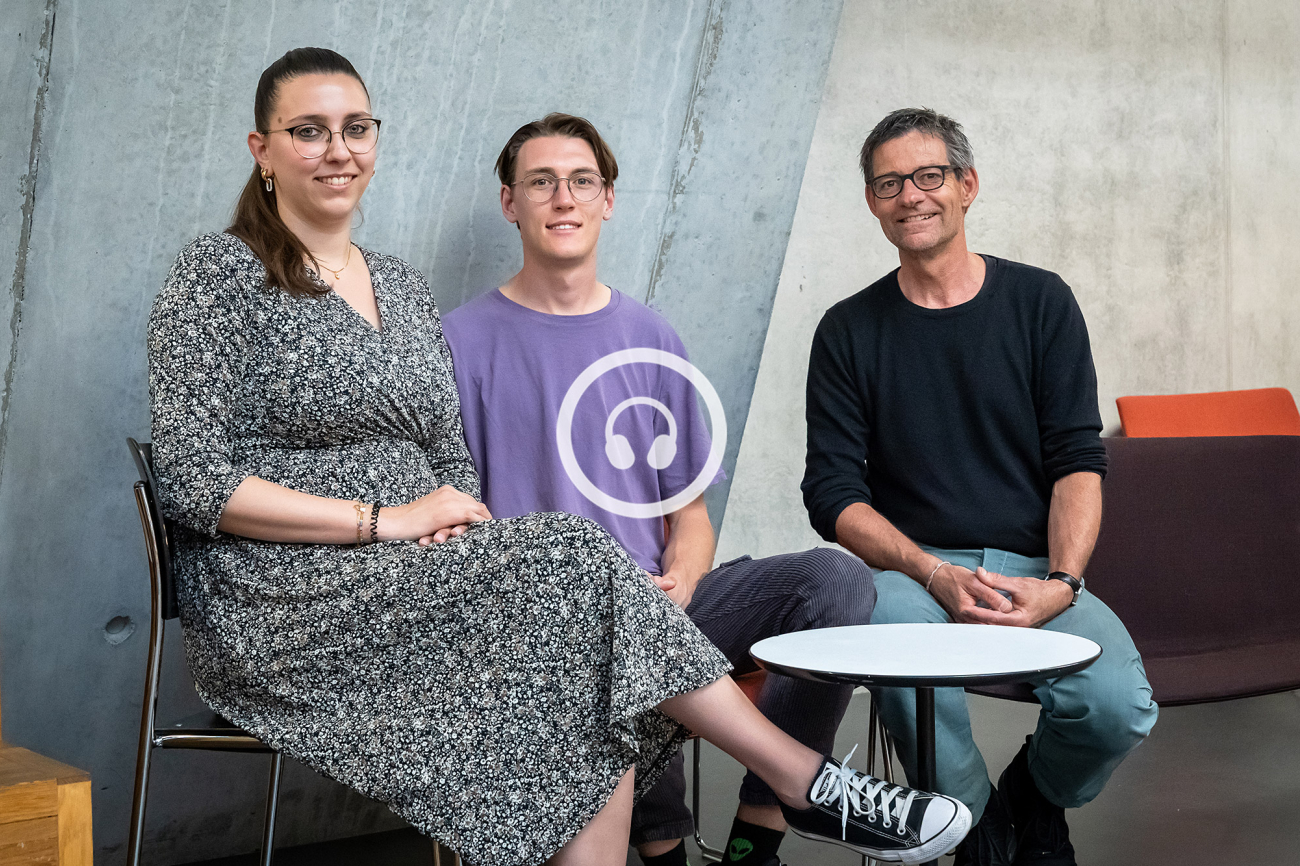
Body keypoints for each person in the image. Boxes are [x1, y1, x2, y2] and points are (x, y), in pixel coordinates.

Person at [147, 50, 970, 866]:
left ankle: (756, 813)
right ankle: (803, 781)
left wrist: (450, 533)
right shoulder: (217, 275)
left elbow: (452, 469)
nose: (337, 149)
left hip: (432, 569)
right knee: (573, 568)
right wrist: (385, 521)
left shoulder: (397, 285)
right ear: (262, 150)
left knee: (602, 600)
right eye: (308, 130)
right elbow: (191, 479)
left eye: (355, 128)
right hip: (294, 598)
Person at [442, 113, 926, 866]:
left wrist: (681, 581)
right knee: (609, 663)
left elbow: (689, 517)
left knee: (835, 578)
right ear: (511, 203)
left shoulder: (651, 336)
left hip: (666, 603)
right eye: (541, 182)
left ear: (609, 200)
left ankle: (756, 836)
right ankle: (664, 845)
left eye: (582, 182)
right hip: (539, 625)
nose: (562, 198)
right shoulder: (458, 342)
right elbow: (449, 523)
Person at [801, 107, 1159, 866]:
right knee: (896, 660)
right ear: (872, 201)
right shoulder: (847, 330)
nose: (911, 195)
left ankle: (1033, 798)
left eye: (929, 176)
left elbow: (1076, 460)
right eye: (890, 182)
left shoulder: (1040, 302)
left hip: (1033, 567)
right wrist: (928, 568)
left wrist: (1062, 583)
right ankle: (974, 833)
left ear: (966, 186)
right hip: (913, 569)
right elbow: (832, 493)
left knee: (1115, 709)